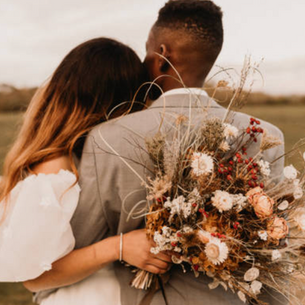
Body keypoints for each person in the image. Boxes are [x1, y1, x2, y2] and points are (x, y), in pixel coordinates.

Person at [59, 1, 286, 305]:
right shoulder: (266, 136)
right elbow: (274, 245)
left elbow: (79, 246)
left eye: (146, 50)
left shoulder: (107, 138)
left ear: (162, 55)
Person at [0, 38, 172, 305]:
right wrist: (119, 246)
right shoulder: (56, 166)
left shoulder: (89, 156)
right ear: (115, 102)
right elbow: (34, 276)